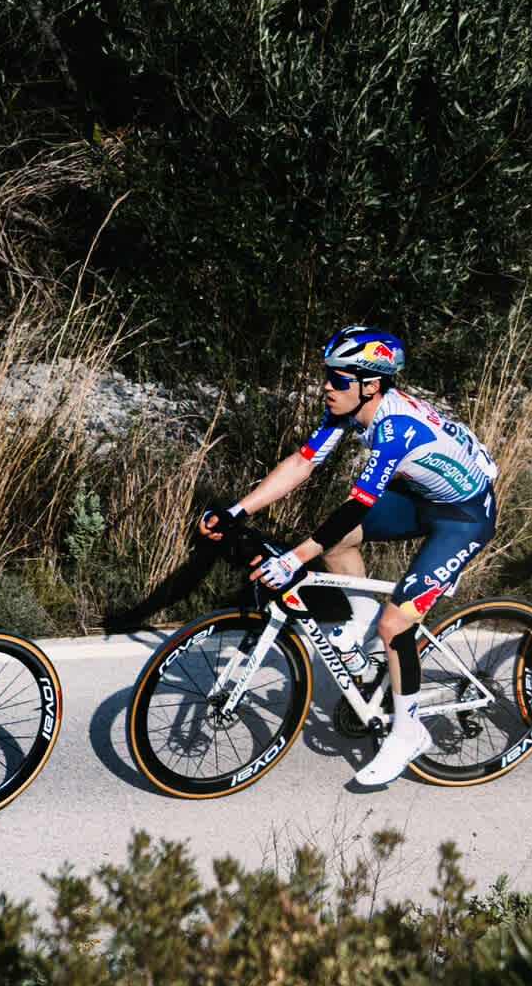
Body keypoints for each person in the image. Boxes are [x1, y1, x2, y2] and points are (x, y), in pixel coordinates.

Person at [195, 326, 499, 789]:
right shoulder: (350, 409)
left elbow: (357, 505)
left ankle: (408, 733)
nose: (326, 387)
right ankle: (363, 625)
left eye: (337, 379)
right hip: (420, 498)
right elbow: (302, 463)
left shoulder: (395, 429)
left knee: (395, 625)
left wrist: (293, 559)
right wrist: (236, 510)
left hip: (464, 518)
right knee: (337, 542)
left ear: (370, 385)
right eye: (327, 376)